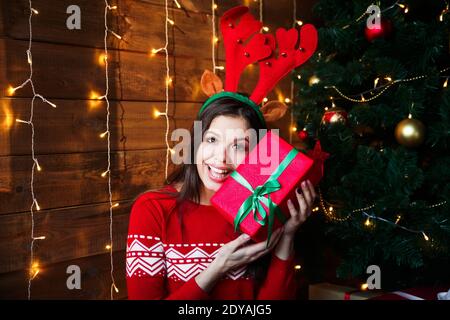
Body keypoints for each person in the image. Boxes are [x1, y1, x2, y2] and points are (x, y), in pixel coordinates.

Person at [126, 5, 318, 300]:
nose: (221, 158)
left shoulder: (259, 211)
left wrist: (286, 236)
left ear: (258, 154)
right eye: (213, 140)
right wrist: (217, 268)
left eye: (239, 146)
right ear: (196, 142)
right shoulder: (153, 209)